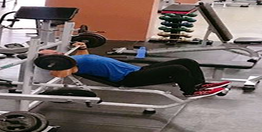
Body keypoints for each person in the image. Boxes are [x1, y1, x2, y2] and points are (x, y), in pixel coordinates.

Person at [38, 42, 229, 97]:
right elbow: (60, 73)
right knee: (178, 69)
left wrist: (82, 47)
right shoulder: (67, 65)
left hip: (136, 69)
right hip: (128, 77)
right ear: (50, 59)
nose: (54, 51)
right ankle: (191, 91)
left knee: (187, 61)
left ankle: (200, 85)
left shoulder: (73, 58)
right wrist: (57, 64)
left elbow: (87, 58)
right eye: (50, 53)